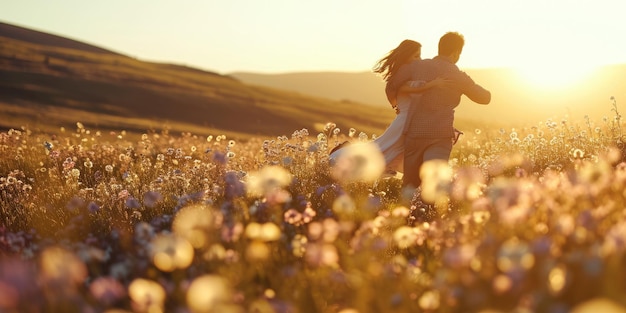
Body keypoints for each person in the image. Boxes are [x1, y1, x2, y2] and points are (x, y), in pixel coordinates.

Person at [386, 32, 491, 204]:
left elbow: (392, 85)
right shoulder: (458, 75)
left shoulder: (416, 66)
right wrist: (466, 85)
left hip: (414, 134)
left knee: (409, 186)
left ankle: (407, 221)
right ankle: (428, 221)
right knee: (434, 185)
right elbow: (484, 98)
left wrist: (397, 107)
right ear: (456, 53)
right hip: (439, 135)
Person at [329, 39, 448, 174]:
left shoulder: (407, 75)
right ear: (406, 56)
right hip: (404, 122)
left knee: (386, 148)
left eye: (420, 56)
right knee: (382, 148)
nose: (419, 60)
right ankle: (340, 156)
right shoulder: (400, 78)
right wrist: (434, 84)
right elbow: (409, 90)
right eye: (416, 56)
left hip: (408, 121)